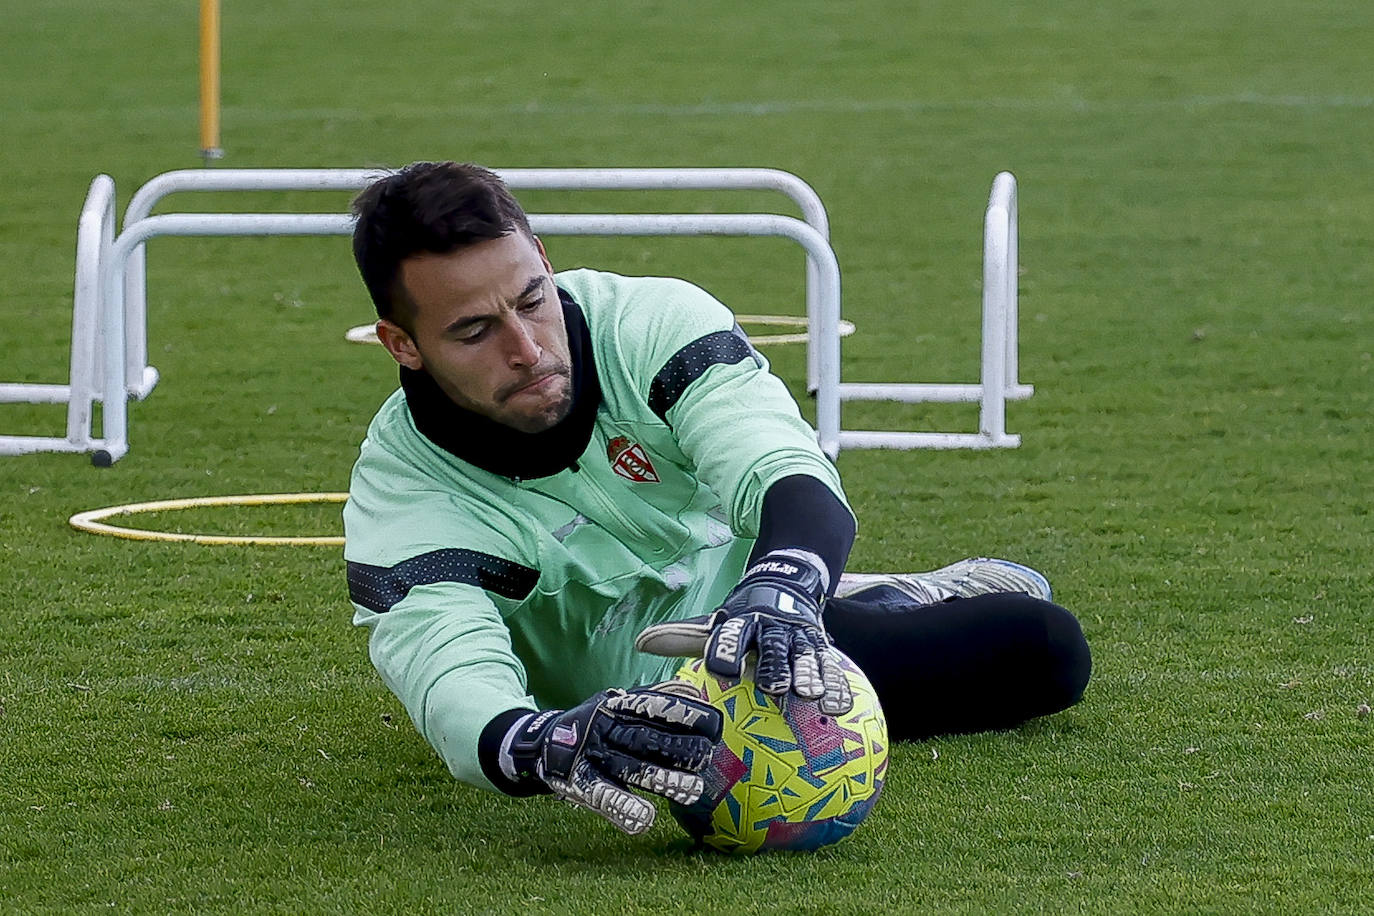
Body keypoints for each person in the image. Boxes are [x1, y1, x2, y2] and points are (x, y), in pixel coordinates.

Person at [343, 161, 1091, 836]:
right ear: (401, 343)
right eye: (474, 331)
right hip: (628, 705)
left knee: (1046, 651)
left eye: (531, 300)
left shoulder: (651, 325)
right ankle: (871, 599)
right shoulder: (404, 488)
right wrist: (543, 741)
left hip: (760, 634)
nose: (527, 348)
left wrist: (785, 586)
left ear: (543, 260)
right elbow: (449, 677)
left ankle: (834, 597)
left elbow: (784, 471)